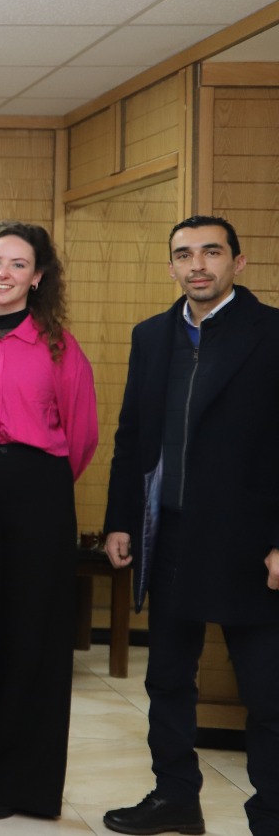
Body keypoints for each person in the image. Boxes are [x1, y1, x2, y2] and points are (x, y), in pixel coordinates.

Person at [100, 216, 279, 836]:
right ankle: (176, 797)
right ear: (171, 265)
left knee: (268, 693)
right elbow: (131, 436)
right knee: (168, 679)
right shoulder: (151, 336)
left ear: (238, 261)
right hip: (170, 536)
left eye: (211, 252)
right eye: (183, 254)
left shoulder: (272, 333)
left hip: (251, 544)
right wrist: (120, 521)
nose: (197, 265)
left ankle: (272, 815)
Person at [0, 220, 97, 821]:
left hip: (39, 494)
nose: (2, 273)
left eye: (17, 264)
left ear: (38, 277)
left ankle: (19, 781)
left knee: (33, 634)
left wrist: (35, 485)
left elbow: (82, 436)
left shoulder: (60, 346)